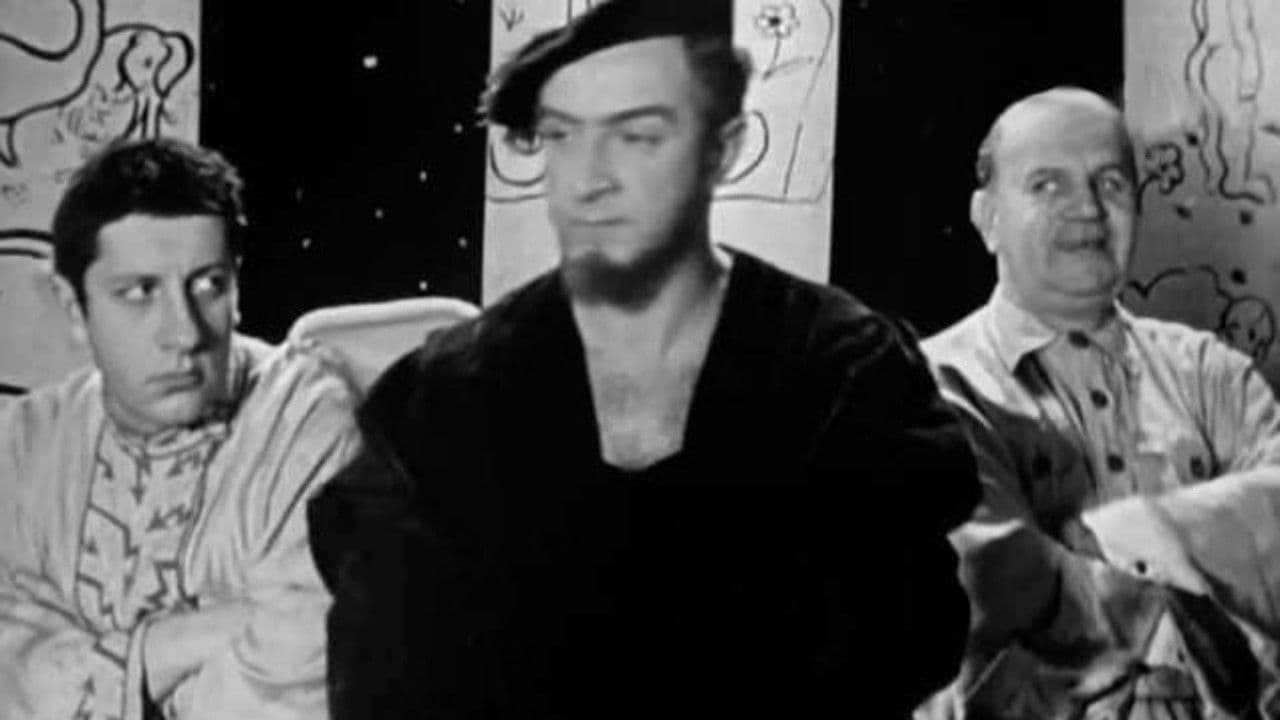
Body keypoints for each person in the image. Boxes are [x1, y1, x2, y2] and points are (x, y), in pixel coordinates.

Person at [308, 1, 979, 718]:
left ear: (723, 149)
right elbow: (385, 674)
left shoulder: (843, 374)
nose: (590, 178)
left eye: (638, 136)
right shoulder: (446, 398)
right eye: (563, 136)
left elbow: (899, 645)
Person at [921, 87, 1280, 718]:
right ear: (987, 218)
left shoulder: (1213, 376)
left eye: (1110, 183)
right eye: (1047, 185)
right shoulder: (926, 386)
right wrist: (1214, 567)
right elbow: (990, 591)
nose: (1086, 208)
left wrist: (1095, 549)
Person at [0, 137, 361, 719]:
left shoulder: (303, 419)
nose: (185, 333)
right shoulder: (26, 442)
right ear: (73, 308)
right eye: (139, 293)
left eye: (209, 285)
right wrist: (167, 648)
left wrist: (86, 675)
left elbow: (296, 683)